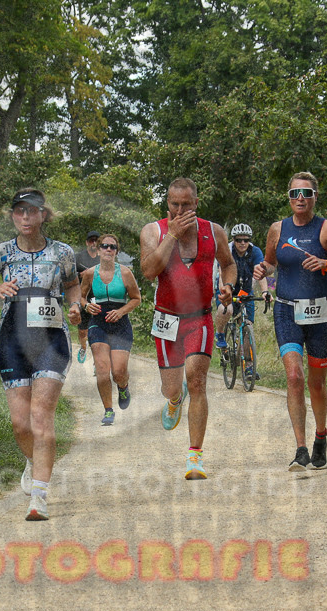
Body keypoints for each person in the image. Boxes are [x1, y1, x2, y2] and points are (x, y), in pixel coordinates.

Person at [0, 188, 83, 521]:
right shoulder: (2, 252)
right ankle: (34, 461)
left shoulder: (61, 252)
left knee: (41, 417)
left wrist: (75, 307)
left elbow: (73, 285)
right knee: (21, 424)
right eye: (19, 211)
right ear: (13, 216)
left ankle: (39, 497)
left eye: (32, 211)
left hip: (51, 340)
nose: (25, 217)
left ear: (44, 215)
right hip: (12, 340)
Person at [253, 172, 327, 472]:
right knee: (294, 377)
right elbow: (271, 263)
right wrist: (263, 270)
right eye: (294, 193)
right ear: (288, 197)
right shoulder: (277, 229)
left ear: (315, 197)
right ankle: (300, 448)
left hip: (321, 313)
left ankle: (320, 436)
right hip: (286, 310)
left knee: (316, 382)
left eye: (306, 193)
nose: (300, 198)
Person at [139, 177, 236, 480]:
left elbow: (229, 263)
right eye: (173, 204)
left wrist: (228, 285)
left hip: (200, 317)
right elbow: (148, 271)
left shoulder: (213, 231)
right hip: (167, 318)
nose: (179, 209)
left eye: (186, 204)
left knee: (197, 379)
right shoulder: (152, 231)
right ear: (167, 202)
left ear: (196, 202)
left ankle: (195, 457)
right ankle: (173, 399)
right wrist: (172, 236)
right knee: (172, 387)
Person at [80, 233, 142, 426]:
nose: (108, 249)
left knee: (119, 371)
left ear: (117, 251)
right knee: (101, 369)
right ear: (98, 250)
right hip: (98, 322)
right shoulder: (90, 273)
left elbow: (136, 299)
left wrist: (121, 311)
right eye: (105, 246)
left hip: (120, 324)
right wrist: (86, 306)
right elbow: (81, 297)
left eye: (112, 247)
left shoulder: (125, 273)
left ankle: (123, 387)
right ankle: (108, 410)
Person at [213, 223, 273, 383]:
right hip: (226, 286)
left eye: (246, 240)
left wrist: (266, 292)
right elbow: (221, 271)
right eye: (239, 240)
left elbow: (261, 273)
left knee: (247, 327)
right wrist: (224, 291)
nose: (242, 243)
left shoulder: (256, 252)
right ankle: (219, 334)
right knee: (228, 309)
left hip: (245, 291)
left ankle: (248, 367)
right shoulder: (227, 249)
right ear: (234, 239)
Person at [74, 231, 101, 362]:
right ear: (86, 243)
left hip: (98, 297)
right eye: (91, 240)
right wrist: (81, 275)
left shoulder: (103, 258)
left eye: (96, 240)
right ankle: (83, 347)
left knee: (98, 329)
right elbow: (69, 277)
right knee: (83, 330)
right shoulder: (78, 257)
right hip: (82, 296)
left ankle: (98, 359)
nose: (94, 243)